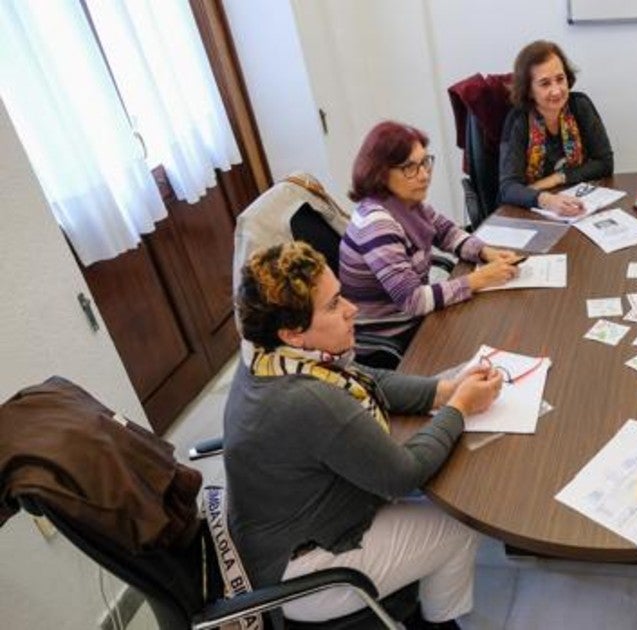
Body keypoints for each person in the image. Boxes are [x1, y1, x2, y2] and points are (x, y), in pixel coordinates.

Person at [224, 242, 503, 628]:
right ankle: (440, 624)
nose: (352, 309)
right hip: (304, 574)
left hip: (281, 530)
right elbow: (405, 475)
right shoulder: (306, 401)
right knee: (456, 526)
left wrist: (445, 390)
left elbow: (365, 379)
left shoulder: (267, 357)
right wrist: (461, 408)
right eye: (334, 304)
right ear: (292, 333)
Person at [340, 121, 521, 367]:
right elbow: (413, 301)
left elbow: (447, 233)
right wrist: (480, 279)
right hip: (392, 338)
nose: (424, 175)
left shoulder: (407, 202)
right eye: (409, 168)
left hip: (416, 320)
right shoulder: (376, 224)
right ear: (380, 173)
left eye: (425, 162)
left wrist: (486, 252)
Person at [498, 40, 614, 216]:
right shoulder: (518, 121)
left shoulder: (580, 106)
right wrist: (546, 200)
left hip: (578, 206)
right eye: (545, 83)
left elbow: (605, 163)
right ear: (529, 90)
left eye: (560, 79)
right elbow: (507, 188)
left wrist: (555, 179)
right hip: (533, 212)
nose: (557, 90)